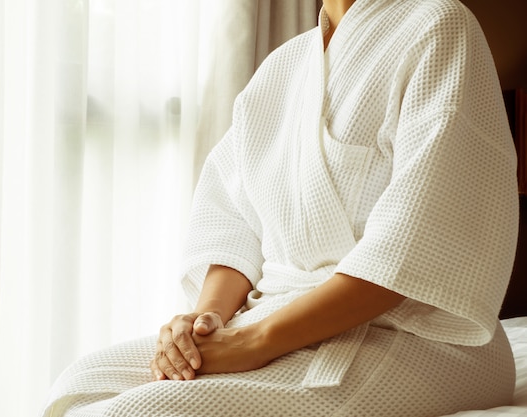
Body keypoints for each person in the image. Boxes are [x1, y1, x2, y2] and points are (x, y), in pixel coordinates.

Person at [40, 0, 519, 415]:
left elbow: (419, 238)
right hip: (276, 315)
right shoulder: (284, 66)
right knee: (79, 386)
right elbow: (233, 219)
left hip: (416, 336)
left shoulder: (440, 26)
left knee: (143, 412)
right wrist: (206, 323)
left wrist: (257, 342)